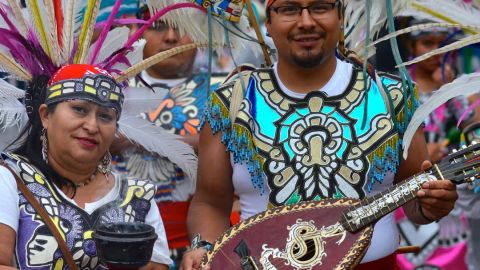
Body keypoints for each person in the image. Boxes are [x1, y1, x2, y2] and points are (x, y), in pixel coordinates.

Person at [181, 0, 458, 269]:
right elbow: (210, 204)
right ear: (268, 23)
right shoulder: (232, 102)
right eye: (289, 8)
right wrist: (204, 247)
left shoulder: (392, 96)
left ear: (340, 17)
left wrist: (431, 206)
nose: (306, 22)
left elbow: (414, 198)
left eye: (320, 7)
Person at [0, 0, 198, 268]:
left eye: (105, 116)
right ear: (46, 115)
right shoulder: (10, 180)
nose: (92, 126)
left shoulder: (139, 197)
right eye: (80, 110)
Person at [112, 5, 228, 268]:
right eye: (158, 26)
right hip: (120, 245)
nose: (172, 38)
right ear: (134, 31)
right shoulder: (110, 85)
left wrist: (138, 137)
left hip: (199, 246)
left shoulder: (226, 90)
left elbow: (231, 151)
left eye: (184, 28)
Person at [394, 18, 474, 270]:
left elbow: (468, 124)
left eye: (442, 44)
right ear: (411, 46)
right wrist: (427, 152)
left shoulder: (452, 82)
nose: (436, 51)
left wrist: (449, 88)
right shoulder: (397, 87)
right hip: (408, 192)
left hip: (447, 189)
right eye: (427, 43)